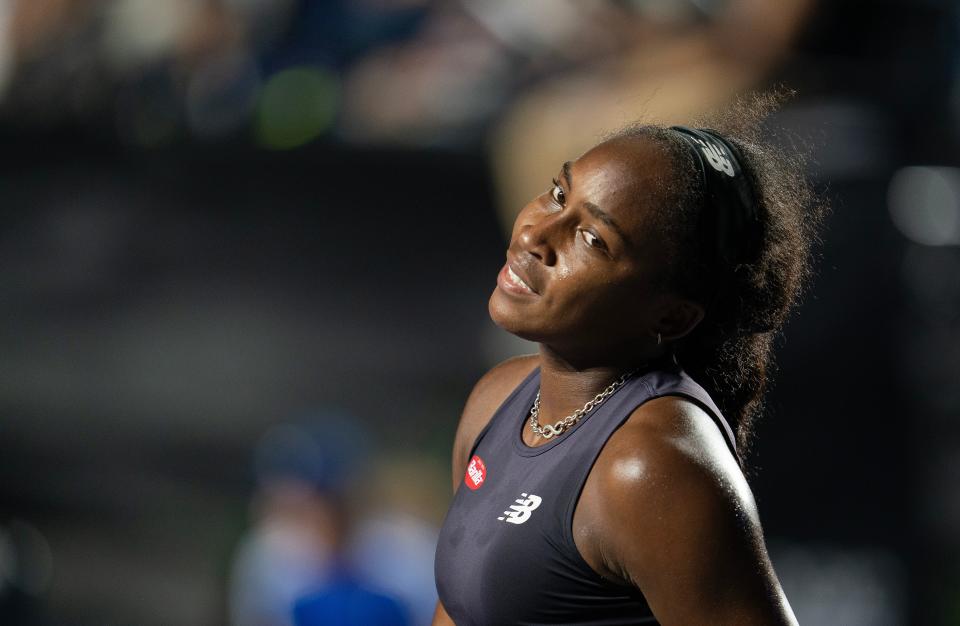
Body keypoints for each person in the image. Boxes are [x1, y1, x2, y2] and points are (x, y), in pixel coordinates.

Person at [433, 93, 823, 625]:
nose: (534, 235)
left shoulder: (649, 465)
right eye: (557, 193)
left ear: (671, 316)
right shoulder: (497, 398)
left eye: (592, 239)